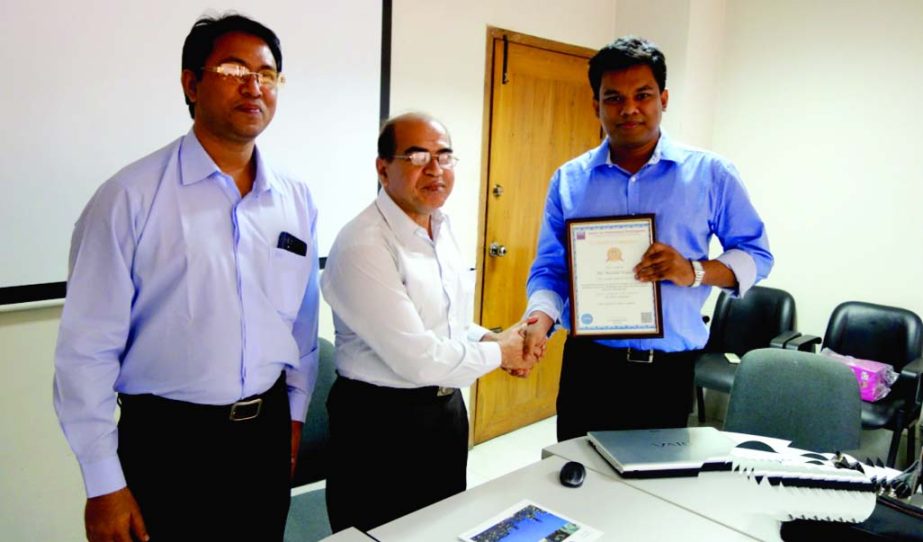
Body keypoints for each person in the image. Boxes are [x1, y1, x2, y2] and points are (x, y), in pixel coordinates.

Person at [53, 14, 319, 542]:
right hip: (167, 443)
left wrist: (293, 417)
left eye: (268, 74)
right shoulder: (129, 198)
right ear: (191, 83)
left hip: (263, 436)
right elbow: (86, 351)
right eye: (233, 68)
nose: (254, 86)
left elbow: (302, 325)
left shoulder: (296, 198)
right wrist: (103, 483)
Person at [523, 36, 773, 442]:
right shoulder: (569, 180)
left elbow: (757, 255)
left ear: (664, 98)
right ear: (596, 105)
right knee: (577, 486)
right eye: (614, 98)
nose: (630, 109)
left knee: (654, 491)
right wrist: (540, 318)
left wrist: (692, 270)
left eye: (643, 95)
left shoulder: (710, 174)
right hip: (589, 367)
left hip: (667, 371)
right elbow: (550, 269)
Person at [321, 113, 535, 532]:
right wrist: (501, 351)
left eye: (445, 156)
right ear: (384, 169)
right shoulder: (364, 243)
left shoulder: (440, 226)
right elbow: (418, 358)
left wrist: (490, 337)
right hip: (381, 425)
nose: (435, 169)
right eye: (418, 156)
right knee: (380, 534)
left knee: (441, 529)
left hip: (444, 414)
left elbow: (445, 321)